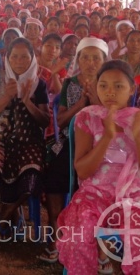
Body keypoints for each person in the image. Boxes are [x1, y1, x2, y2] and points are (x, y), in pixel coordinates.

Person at [57, 60, 140, 275]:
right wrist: (107, 137)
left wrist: (136, 136)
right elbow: (83, 171)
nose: (110, 92)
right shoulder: (88, 118)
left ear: (132, 89)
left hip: (138, 196)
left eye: (118, 86)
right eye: (103, 85)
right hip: (94, 194)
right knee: (79, 237)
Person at [38, 37, 107, 264]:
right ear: (78, 59)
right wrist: (81, 103)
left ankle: (95, 242)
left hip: (102, 144)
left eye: (95, 58)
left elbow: (111, 121)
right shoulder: (70, 84)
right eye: (85, 57)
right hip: (71, 139)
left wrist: (95, 98)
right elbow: (63, 119)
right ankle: (56, 236)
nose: (90, 62)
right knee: (55, 172)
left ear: (104, 60)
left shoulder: (111, 83)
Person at [0, 37, 49, 237]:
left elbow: (44, 121)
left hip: (29, 141)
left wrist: (27, 101)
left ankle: (6, 211)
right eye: (14, 57)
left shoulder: (39, 83)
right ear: (7, 58)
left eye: (24, 57)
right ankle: (11, 209)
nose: (19, 61)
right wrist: (7, 97)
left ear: (32, 58)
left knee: (33, 176)